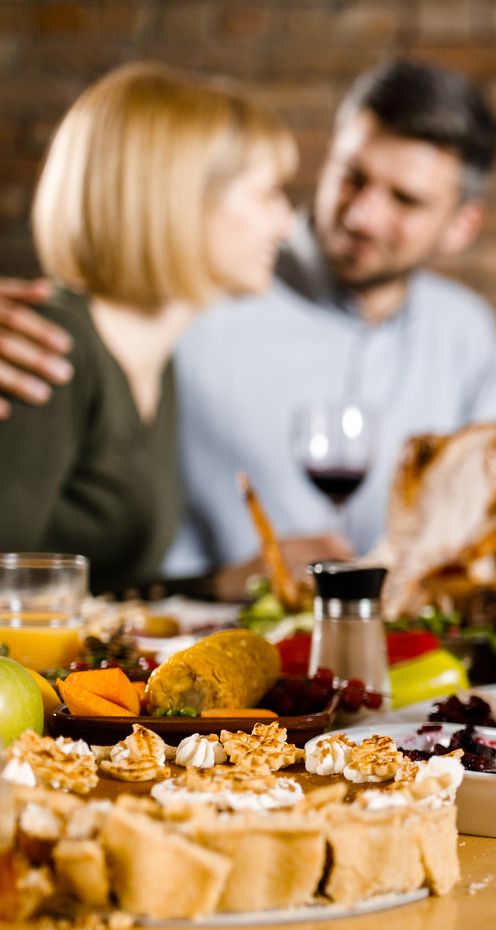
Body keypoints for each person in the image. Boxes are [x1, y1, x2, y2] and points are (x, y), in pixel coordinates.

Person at [0, 58, 496, 597]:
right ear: (184, 202)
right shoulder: (98, 330)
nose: (360, 216)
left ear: (462, 225)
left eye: (405, 200)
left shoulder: (465, 329)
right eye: (351, 177)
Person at [0, 63, 293, 594]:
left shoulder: (161, 364)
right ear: (182, 200)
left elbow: (102, 592)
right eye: (268, 194)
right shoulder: (46, 346)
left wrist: (218, 584)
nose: (287, 224)